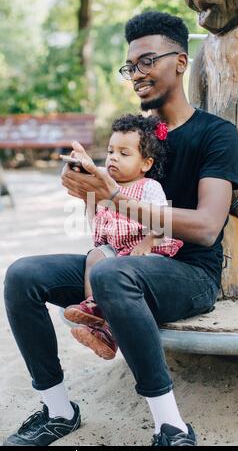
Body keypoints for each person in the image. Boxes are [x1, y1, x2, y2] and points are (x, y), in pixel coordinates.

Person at [3, 11, 238, 447]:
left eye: (147, 61)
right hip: (123, 261)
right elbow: (110, 218)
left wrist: (114, 196)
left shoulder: (216, 134)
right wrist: (86, 188)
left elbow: (207, 228)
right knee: (23, 275)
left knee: (113, 273)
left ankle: (171, 426)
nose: (137, 74)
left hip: (190, 275)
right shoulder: (135, 134)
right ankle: (58, 410)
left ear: (181, 61)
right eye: (131, 66)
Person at [64, 114, 184, 361]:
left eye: (124, 153)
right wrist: (82, 167)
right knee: (95, 256)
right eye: (110, 151)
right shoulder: (106, 184)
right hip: (117, 250)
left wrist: (147, 242)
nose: (113, 158)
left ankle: (104, 325)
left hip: (146, 251)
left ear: (145, 164)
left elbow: (163, 221)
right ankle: (94, 311)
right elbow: (96, 220)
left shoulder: (149, 187)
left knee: (110, 271)